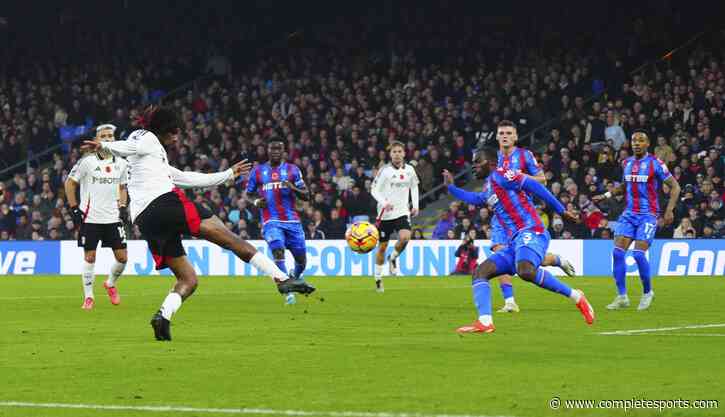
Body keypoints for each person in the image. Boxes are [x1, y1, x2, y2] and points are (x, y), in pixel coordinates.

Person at [82, 106, 314, 341]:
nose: (176, 136)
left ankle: (163, 316)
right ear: (163, 128)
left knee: (188, 280)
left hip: (146, 219)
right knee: (230, 239)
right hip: (165, 203)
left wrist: (227, 174)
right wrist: (105, 146)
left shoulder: (152, 158)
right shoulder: (146, 137)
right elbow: (130, 146)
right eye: (174, 131)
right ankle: (282, 279)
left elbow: (186, 178)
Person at [443, 146, 594, 334]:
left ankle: (576, 296)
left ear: (490, 162)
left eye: (477, 162)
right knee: (481, 272)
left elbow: (537, 186)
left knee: (525, 270)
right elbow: (475, 198)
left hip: (532, 230)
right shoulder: (489, 186)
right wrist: (450, 187)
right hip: (515, 240)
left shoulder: (502, 175)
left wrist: (561, 210)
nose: (473, 166)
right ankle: (485, 322)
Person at [492, 120, 576, 313]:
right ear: (497, 136)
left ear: (515, 136)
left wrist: (519, 177)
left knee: (522, 260)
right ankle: (510, 301)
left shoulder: (524, 155)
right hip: (500, 215)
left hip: (522, 216)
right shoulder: (492, 158)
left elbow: (542, 180)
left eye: (508, 133)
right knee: (499, 252)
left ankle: (555, 260)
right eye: (501, 133)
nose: (504, 136)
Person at [593, 130, 681, 311]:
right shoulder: (627, 163)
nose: (636, 144)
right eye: (634, 140)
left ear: (647, 144)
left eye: (640, 141)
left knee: (638, 254)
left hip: (648, 215)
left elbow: (675, 187)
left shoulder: (655, 164)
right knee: (617, 253)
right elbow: (626, 185)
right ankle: (622, 296)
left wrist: (669, 210)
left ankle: (648, 292)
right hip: (629, 214)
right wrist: (606, 194)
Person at [65, 124, 129, 309]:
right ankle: (89, 296)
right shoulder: (87, 161)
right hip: (90, 218)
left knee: (123, 258)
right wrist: (74, 209)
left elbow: (123, 187)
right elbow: (70, 184)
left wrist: (123, 206)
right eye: (104, 136)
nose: (108, 138)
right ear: (97, 139)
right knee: (90, 257)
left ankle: (110, 284)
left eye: (111, 135)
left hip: (113, 218)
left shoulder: (122, 163)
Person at [244, 140, 310, 305]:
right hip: (270, 220)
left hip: (292, 221)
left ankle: (295, 276)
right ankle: (288, 292)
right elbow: (249, 193)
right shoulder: (258, 171)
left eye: (278, 149)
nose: (275, 151)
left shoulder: (292, 170)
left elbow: (306, 195)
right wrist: (256, 202)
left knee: (301, 259)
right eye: (272, 148)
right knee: (278, 251)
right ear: (267, 150)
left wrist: (292, 188)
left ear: (283, 151)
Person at [370, 141, 420, 293]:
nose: (397, 154)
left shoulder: (410, 170)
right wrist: (384, 202)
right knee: (382, 247)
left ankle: (393, 257)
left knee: (405, 237)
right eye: (394, 152)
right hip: (385, 214)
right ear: (390, 154)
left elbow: (414, 186)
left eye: (399, 151)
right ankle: (378, 278)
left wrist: (416, 205)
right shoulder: (384, 171)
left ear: (404, 153)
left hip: (402, 212)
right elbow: (374, 190)